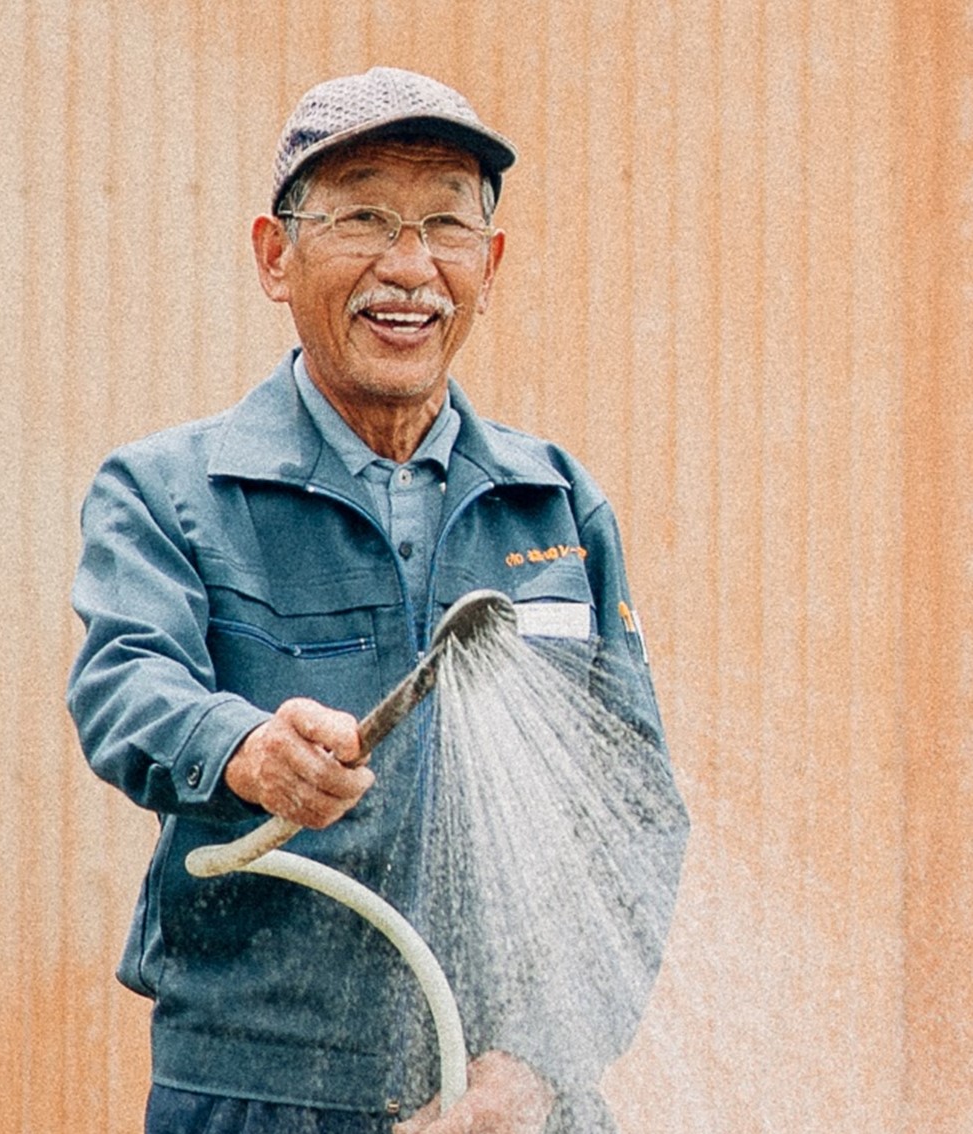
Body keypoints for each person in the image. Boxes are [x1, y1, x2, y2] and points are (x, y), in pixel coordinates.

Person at [67, 66, 688, 1133]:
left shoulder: (553, 504)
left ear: (488, 266)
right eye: (364, 217)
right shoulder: (169, 490)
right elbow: (125, 685)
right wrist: (249, 748)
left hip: (513, 1099)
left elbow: (631, 814)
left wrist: (534, 1066)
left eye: (446, 223)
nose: (410, 267)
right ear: (276, 254)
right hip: (260, 1087)